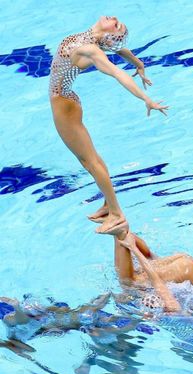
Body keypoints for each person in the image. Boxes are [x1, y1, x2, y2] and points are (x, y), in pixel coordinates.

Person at [49, 16, 169, 234]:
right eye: (118, 22)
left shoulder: (91, 50)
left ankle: (116, 213)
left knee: (90, 161)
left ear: (108, 35)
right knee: (90, 158)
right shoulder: (94, 42)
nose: (114, 19)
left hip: (63, 106)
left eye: (116, 25)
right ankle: (108, 203)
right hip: (67, 101)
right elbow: (119, 49)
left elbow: (117, 73)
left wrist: (146, 99)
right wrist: (138, 63)